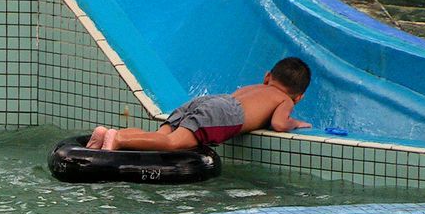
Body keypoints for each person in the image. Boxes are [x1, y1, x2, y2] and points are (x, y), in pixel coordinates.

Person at [86, 57, 312, 151]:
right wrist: (295, 123)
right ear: (298, 97)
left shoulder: (255, 87)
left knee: (162, 135)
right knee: (173, 143)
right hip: (224, 112)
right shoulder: (283, 98)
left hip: (212, 100)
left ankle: (109, 133)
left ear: (267, 77)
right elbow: (279, 124)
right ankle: (118, 139)